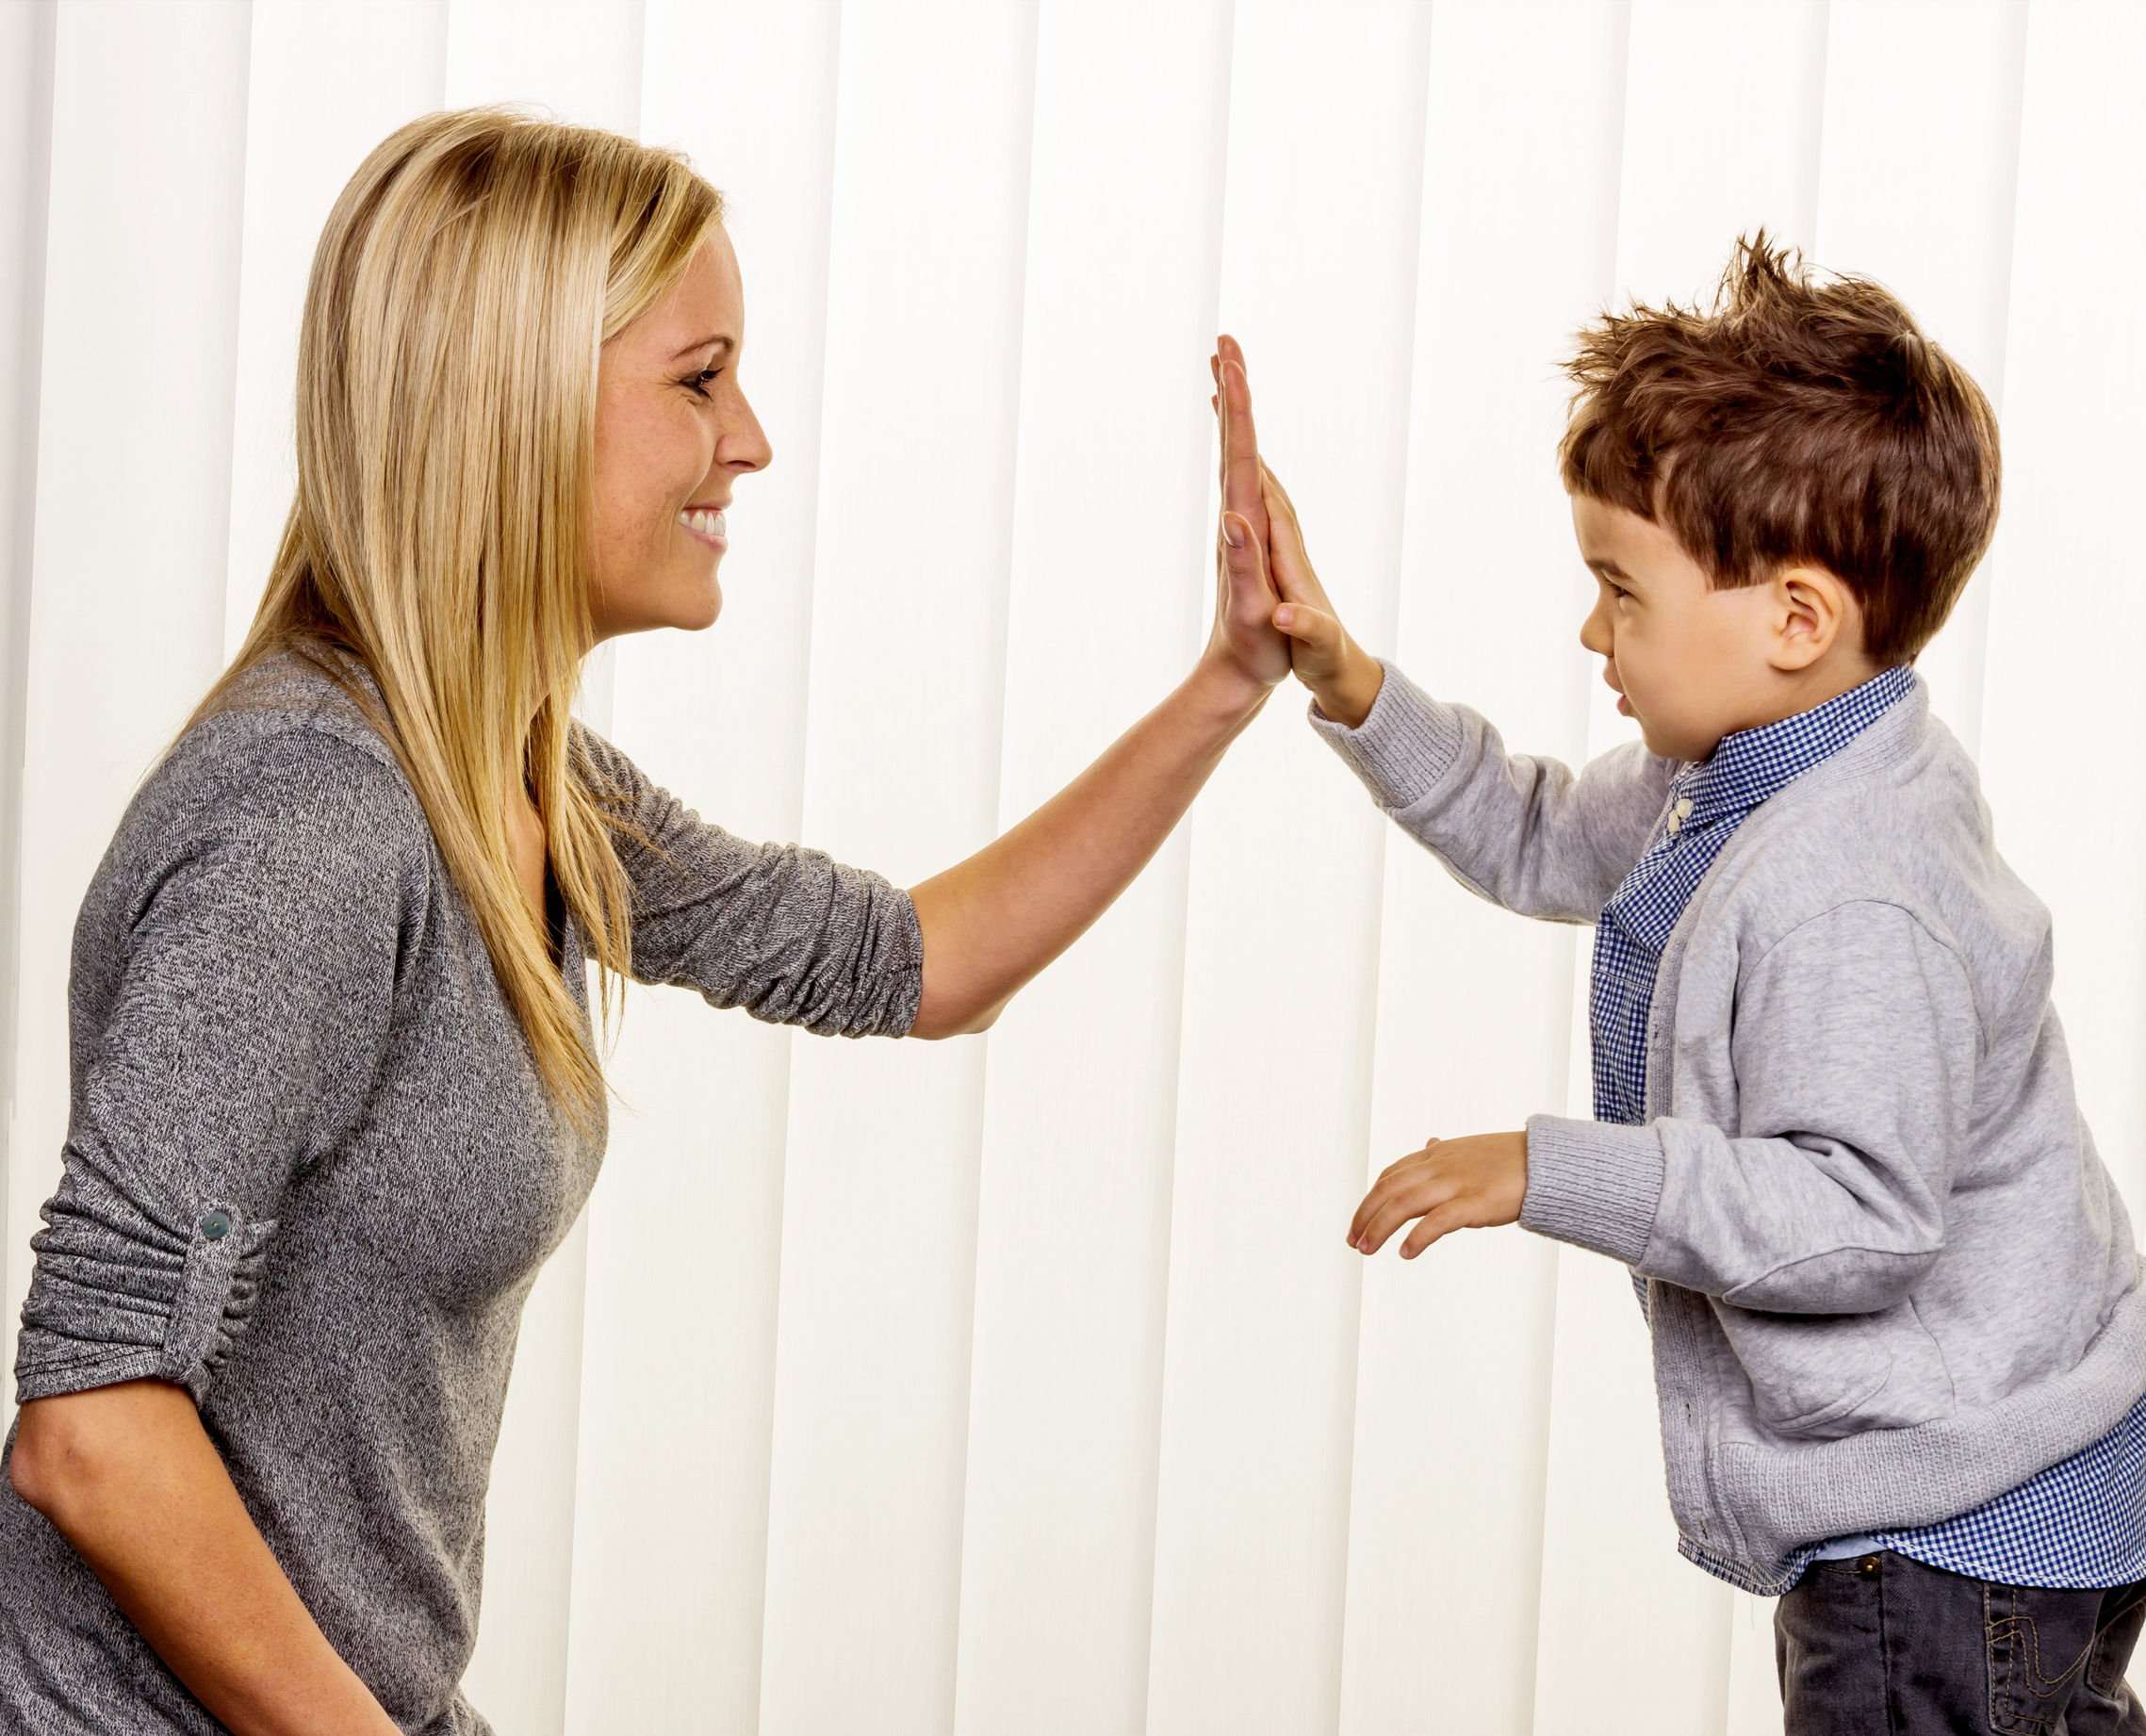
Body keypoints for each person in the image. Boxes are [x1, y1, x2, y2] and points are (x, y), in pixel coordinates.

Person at [0, 106, 1294, 1735]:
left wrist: (1229, 677)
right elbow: (94, 1427)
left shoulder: (514, 775)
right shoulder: (311, 822)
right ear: (510, 402)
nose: (749, 441)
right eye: (699, 378)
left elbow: (914, 963)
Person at [1244, 233, 2146, 1733]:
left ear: (1795, 618)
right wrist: (1345, 677)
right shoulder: (1749, 769)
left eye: (1620, 590)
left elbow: (1857, 1216)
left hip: (1948, 1528)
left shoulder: (1850, 886)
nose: (1590, 630)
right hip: (2001, 1476)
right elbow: (1539, 830)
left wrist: (1547, 1169)